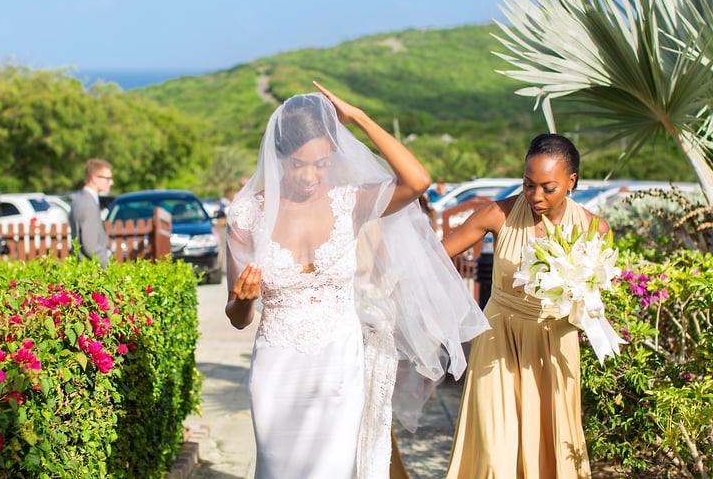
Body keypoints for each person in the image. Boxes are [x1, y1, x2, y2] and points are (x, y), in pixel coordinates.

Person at [225, 83, 488, 479]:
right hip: (277, 366)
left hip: (338, 361)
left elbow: (417, 181)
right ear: (278, 157)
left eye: (321, 163)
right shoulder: (247, 215)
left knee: (334, 468)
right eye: (298, 164)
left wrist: (360, 118)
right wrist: (244, 300)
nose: (310, 175)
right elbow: (237, 317)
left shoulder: (349, 201)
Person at [442, 134, 609, 478]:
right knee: (493, 447)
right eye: (528, 184)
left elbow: (596, 292)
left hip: (554, 343)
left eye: (548, 187)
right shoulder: (497, 214)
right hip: (498, 338)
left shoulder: (595, 229)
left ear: (571, 181)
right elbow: (436, 256)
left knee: (548, 441)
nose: (535, 196)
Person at [69, 159, 113, 267]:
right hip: (91, 269)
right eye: (107, 179)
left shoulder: (81, 199)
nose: (111, 182)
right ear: (94, 178)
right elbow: (91, 247)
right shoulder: (88, 204)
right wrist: (108, 265)